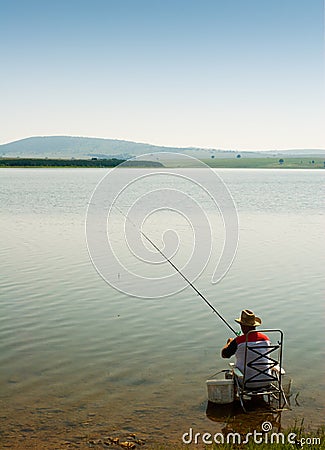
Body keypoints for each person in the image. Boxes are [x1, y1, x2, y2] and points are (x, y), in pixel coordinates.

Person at [221, 309, 271, 388]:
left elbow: (224, 355)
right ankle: (258, 398)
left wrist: (229, 343)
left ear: (242, 326)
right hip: (267, 380)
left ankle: (237, 398)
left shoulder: (238, 341)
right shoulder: (266, 339)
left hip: (247, 382)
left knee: (232, 373)